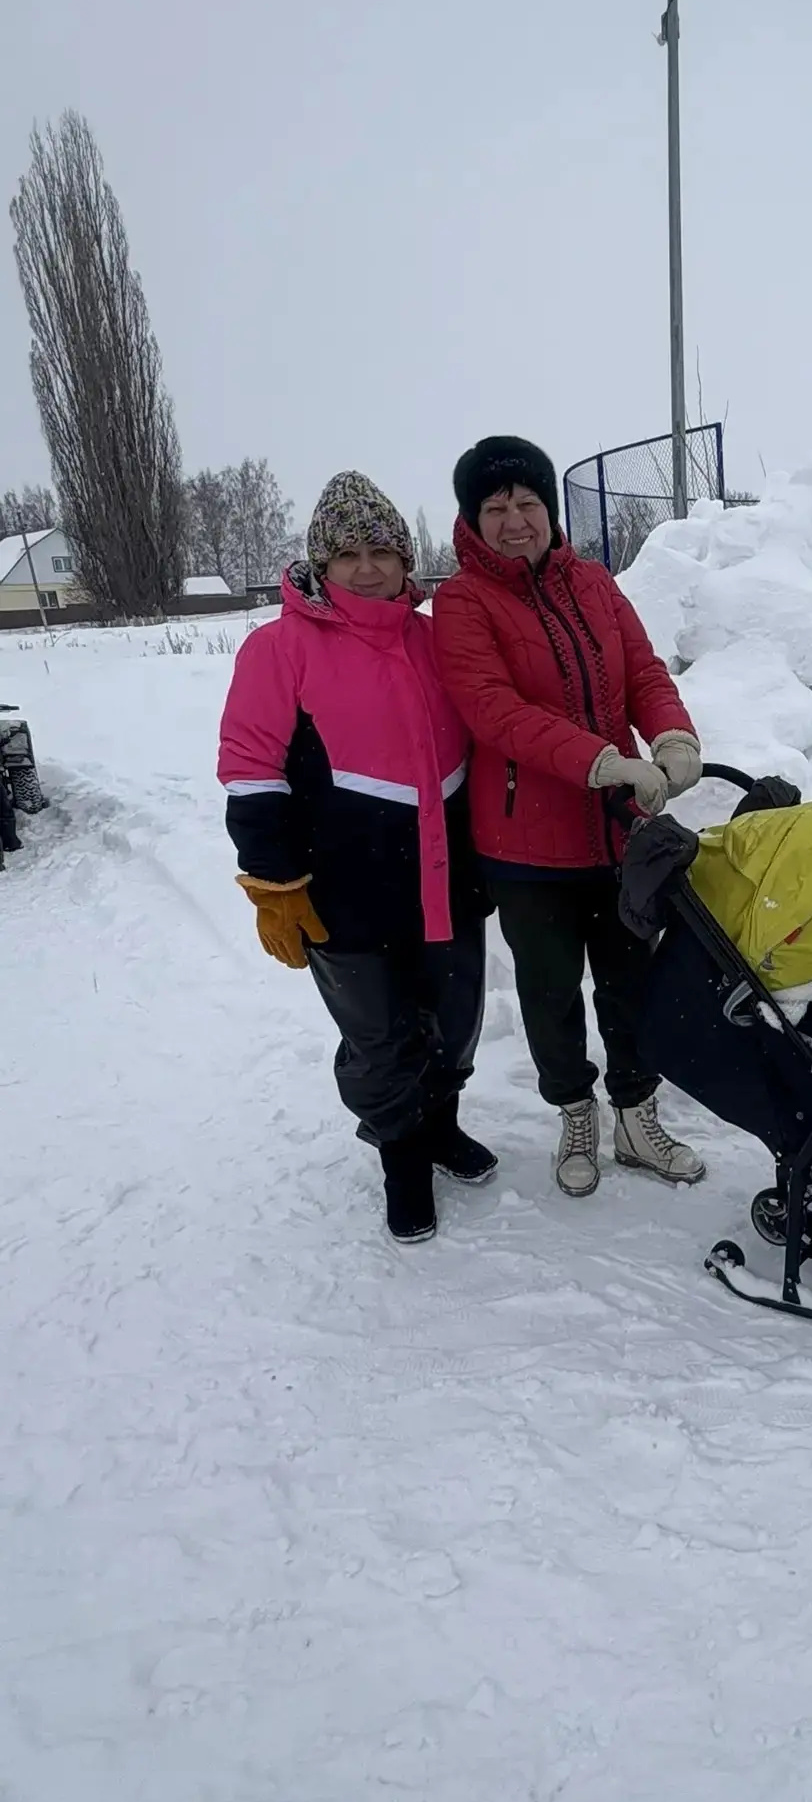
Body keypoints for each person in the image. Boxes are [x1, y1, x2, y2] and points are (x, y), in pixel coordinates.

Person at [219, 472, 494, 1243]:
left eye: (383, 550)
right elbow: (249, 763)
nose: (368, 567)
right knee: (379, 1035)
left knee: (455, 1019)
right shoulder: (278, 649)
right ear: (321, 564)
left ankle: (440, 1125)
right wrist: (274, 882)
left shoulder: (437, 638)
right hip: (344, 886)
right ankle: (402, 1155)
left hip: (447, 879)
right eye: (349, 554)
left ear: (408, 561)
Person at [433, 435, 706, 1199]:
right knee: (550, 992)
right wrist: (600, 760)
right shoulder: (459, 603)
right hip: (526, 845)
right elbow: (492, 709)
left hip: (617, 831)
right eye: (496, 507)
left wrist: (673, 734)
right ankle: (576, 1113)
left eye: (527, 502)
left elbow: (644, 671)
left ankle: (635, 1116)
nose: (515, 519)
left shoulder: (593, 582)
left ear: (548, 508)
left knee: (628, 982)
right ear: (472, 519)